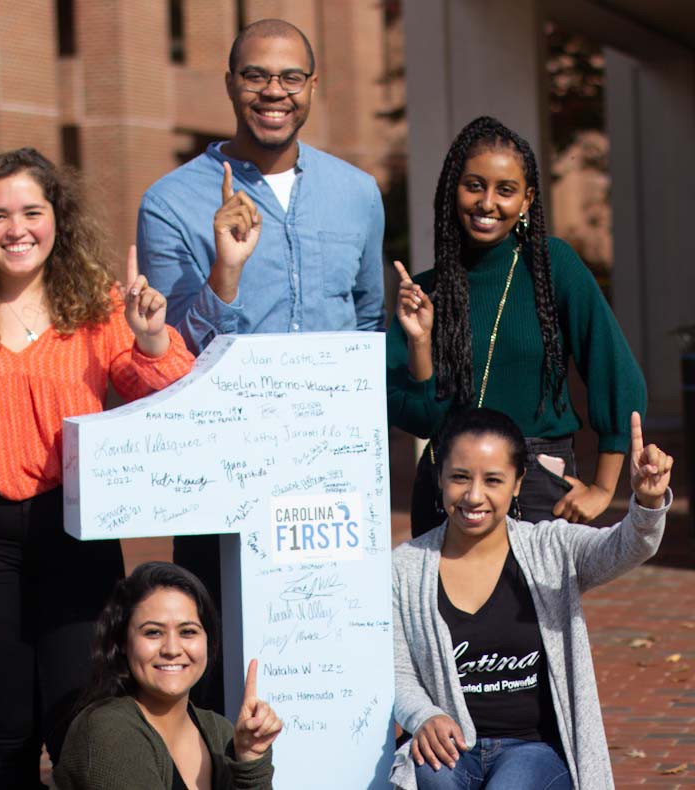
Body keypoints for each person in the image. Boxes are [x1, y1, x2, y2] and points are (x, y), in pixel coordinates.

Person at [138, 17, 386, 710]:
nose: (272, 92)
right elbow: (170, 350)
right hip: (227, 465)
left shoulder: (357, 193)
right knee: (220, 665)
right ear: (230, 84)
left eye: (289, 77)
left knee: (328, 652)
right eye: (255, 76)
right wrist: (225, 271)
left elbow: (366, 321)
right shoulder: (169, 202)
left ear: (312, 87)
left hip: (330, 468)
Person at [0, 148, 194, 788]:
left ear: (57, 219)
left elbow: (165, 389)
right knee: (3, 737)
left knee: (81, 728)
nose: (16, 229)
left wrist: (151, 335)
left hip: (74, 533)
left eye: (31, 211)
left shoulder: (97, 308)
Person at [388, 116, 647, 536]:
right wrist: (420, 343)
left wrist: (603, 486)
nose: (487, 202)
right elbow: (417, 419)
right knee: (440, 604)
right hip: (450, 489)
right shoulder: (424, 293)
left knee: (541, 604)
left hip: (539, 485)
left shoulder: (551, 266)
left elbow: (617, 373)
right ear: (453, 189)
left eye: (505, 190)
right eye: (474, 185)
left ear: (526, 200)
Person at [390, 407, 672, 789]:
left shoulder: (551, 548)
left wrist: (647, 504)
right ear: (440, 478)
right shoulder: (405, 567)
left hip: (532, 749)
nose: (474, 496)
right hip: (451, 749)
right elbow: (397, 670)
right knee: (430, 778)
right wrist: (423, 716)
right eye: (459, 477)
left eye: (493, 480)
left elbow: (625, 547)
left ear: (518, 483)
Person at [55, 562, 281, 789]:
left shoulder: (221, 734)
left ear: (208, 641)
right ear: (123, 642)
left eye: (188, 632)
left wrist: (250, 761)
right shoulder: (106, 731)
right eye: (153, 632)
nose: (172, 649)